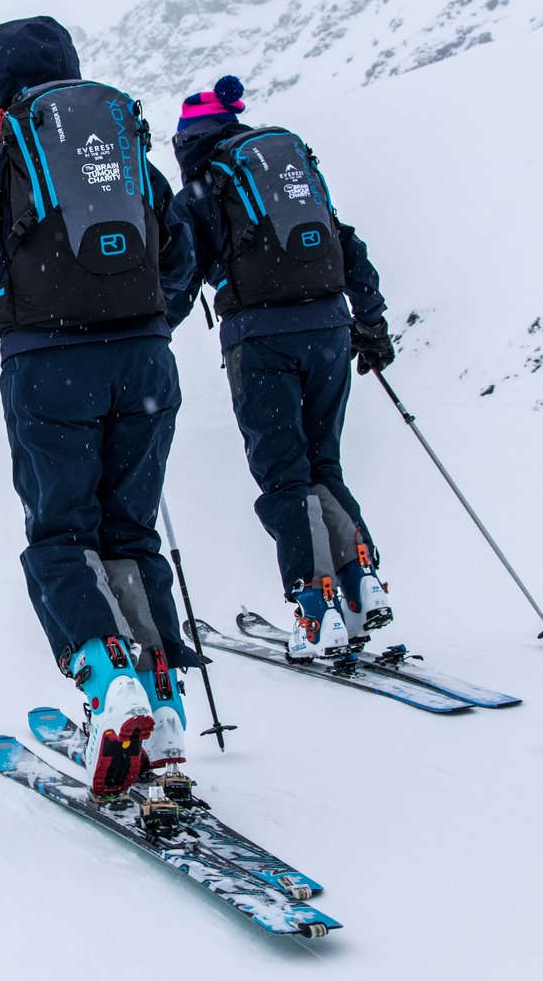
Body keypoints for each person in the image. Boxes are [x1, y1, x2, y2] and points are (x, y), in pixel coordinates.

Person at [0, 16, 200, 798]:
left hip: (47, 365)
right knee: (130, 535)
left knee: (62, 534)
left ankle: (110, 683)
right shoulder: (118, 145)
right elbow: (180, 246)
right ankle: (163, 704)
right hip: (144, 363)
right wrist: (150, 324)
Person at [164, 76, 396, 662]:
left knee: (284, 476)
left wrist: (151, 334)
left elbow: (181, 277)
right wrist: (370, 322)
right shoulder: (284, 174)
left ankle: (315, 612)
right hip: (330, 328)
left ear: (189, 140)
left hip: (261, 339)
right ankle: (360, 582)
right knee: (323, 464)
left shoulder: (203, 188)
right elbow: (346, 244)